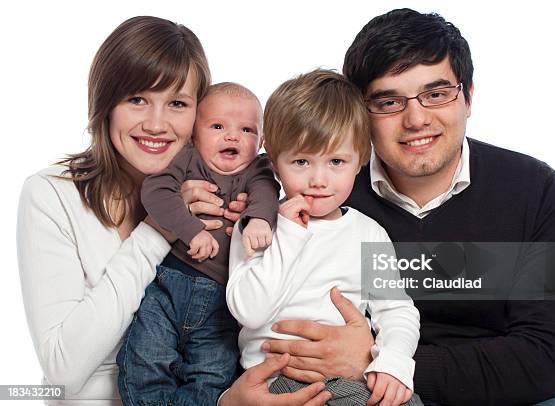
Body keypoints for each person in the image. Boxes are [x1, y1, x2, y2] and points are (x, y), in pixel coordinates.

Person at [234, 8, 555, 406]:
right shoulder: (320, 193)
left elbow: (548, 361)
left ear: (468, 97)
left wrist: (376, 362)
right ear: (361, 114)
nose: (416, 118)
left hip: (468, 393)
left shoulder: (539, 192)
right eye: (389, 101)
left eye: (436, 93)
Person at [16, 16, 326, 406]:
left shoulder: (238, 190)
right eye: (137, 99)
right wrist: (160, 228)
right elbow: (63, 368)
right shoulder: (52, 195)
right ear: (106, 104)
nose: (157, 124)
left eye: (177, 103)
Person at [226, 69, 421, 406]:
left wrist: (394, 363)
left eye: (336, 161)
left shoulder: (368, 232)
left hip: (351, 376)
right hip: (276, 381)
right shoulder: (258, 224)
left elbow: (396, 310)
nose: (319, 179)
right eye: (301, 161)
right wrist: (287, 233)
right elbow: (250, 312)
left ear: (360, 159)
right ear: (273, 160)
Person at [117, 82, 279, 405]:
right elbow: (156, 193)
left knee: (212, 373)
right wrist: (192, 230)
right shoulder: (188, 160)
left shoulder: (258, 170)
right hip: (168, 284)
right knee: (146, 356)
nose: (232, 136)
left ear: (260, 141)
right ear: (195, 134)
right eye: (218, 126)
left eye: (246, 130)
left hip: (221, 303)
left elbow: (267, 194)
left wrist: (259, 219)